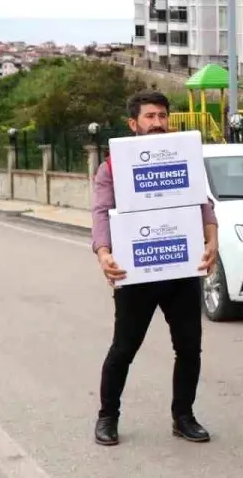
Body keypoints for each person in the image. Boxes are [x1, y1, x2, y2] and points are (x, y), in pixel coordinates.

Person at [91, 90, 220, 447]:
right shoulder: (112, 167)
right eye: (150, 117)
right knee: (124, 348)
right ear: (133, 124)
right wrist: (104, 253)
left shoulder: (184, 158)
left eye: (162, 116)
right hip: (137, 274)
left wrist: (212, 241)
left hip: (181, 269)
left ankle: (184, 417)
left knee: (189, 348)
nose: (158, 123)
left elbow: (203, 203)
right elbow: (101, 212)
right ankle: (107, 417)